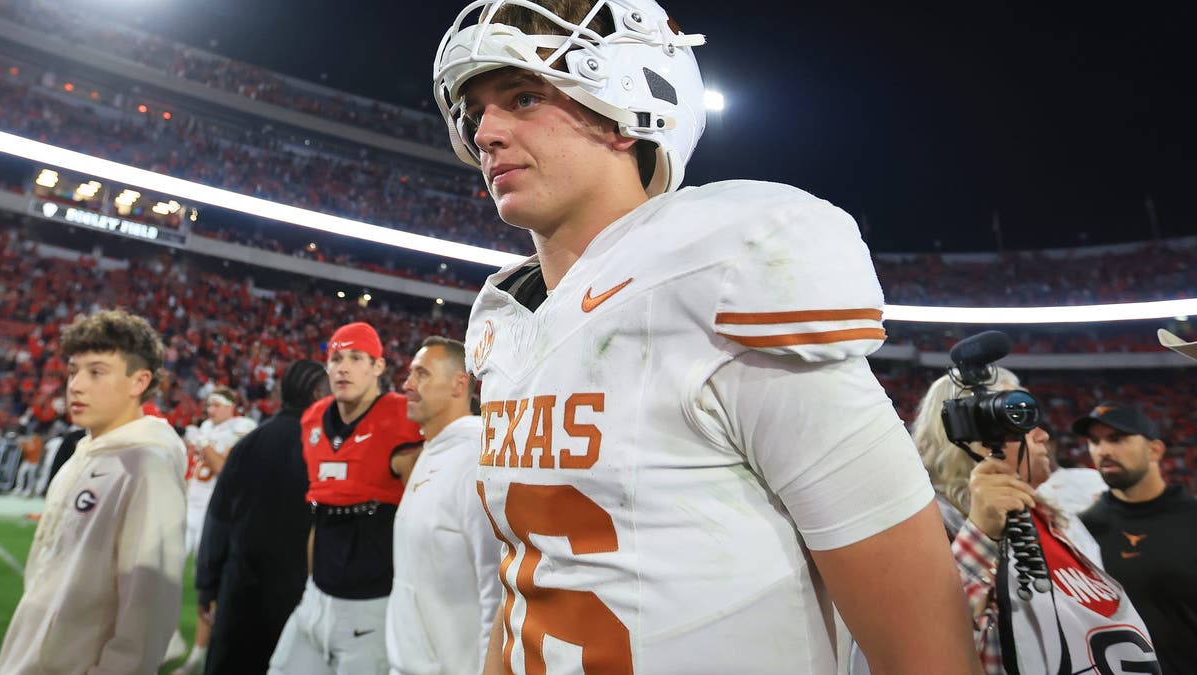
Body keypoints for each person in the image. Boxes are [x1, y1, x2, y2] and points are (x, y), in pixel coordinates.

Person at [432, 2, 979, 672]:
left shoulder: (722, 274)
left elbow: (925, 648)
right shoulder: (505, 319)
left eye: (523, 96)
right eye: (475, 109)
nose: (483, 131)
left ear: (628, 107)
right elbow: (528, 583)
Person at [911, 369, 1158, 675]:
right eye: (1019, 418)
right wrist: (981, 532)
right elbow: (918, 646)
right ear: (971, 437)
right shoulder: (931, 525)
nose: (1043, 434)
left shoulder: (1055, 517)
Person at [0, 308, 187, 674]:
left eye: (96, 372)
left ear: (139, 382)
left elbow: (148, 609)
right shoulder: (82, 455)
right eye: (73, 372)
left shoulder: (147, 468)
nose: (76, 385)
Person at [269, 322, 423, 675]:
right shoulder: (312, 420)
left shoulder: (402, 417)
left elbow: (420, 515)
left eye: (356, 358)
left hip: (372, 605)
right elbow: (318, 512)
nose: (343, 367)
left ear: (377, 367)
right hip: (316, 595)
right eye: (336, 358)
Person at [195, 359, 329, 675]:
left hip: (240, 586)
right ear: (314, 393)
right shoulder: (325, 448)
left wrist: (207, 584)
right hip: (296, 594)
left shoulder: (248, 443)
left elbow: (218, 517)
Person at [386, 336, 501, 675]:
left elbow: (496, 594)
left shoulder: (477, 460)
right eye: (409, 374)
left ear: (459, 384)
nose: (407, 385)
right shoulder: (432, 450)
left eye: (421, 374)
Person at [1074, 402, 1197, 674]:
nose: (1102, 451)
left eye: (1117, 439)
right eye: (1094, 441)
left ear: (1155, 450)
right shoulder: (1079, 531)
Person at [171, 386, 258, 675]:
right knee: (165, 575)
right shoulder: (206, 428)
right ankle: (168, 640)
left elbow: (225, 469)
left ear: (232, 407)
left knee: (207, 587)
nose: (211, 410)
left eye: (217, 405)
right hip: (188, 510)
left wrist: (204, 444)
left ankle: (200, 653)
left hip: (216, 516)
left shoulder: (243, 428)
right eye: (208, 405)